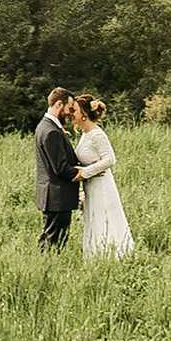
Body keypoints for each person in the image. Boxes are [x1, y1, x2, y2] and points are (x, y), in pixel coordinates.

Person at [72, 94, 135, 258]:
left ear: (84, 114)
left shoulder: (96, 134)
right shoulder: (85, 134)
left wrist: (85, 172)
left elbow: (110, 159)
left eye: (75, 110)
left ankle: (113, 255)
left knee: (104, 219)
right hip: (90, 185)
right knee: (93, 219)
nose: (72, 113)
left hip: (101, 185)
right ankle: (95, 256)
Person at [34, 87, 83, 251]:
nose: (70, 113)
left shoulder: (46, 126)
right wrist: (86, 173)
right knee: (54, 243)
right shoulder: (50, 131)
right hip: (57, 197)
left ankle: (46, 269)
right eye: (69, 108)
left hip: (53, 196)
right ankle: (47, 272)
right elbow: (61, 168)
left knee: (51, 240)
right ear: (59, 104)